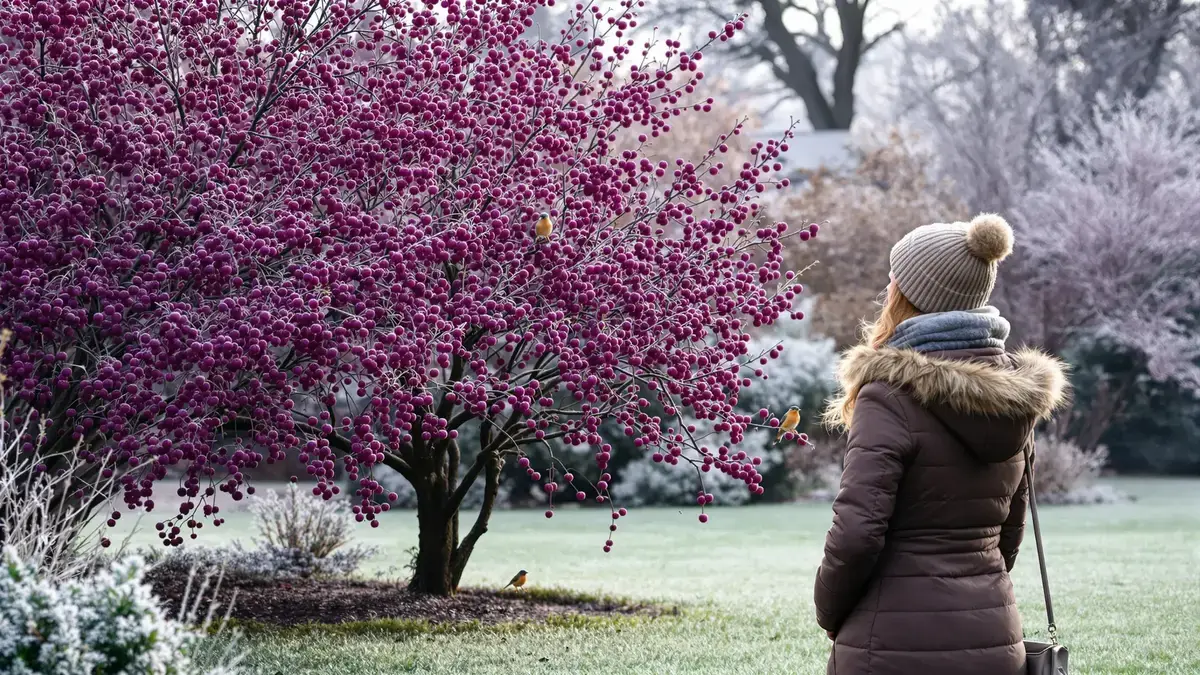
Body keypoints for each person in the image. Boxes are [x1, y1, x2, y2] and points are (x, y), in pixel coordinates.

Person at [813, 214, 1069, 675]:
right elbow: (1008, 536)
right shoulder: (1014, 397)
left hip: (890, 646)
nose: (888, 284)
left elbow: (856, 534)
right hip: (993, 640)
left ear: (911, 294)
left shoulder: (887, 395)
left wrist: (830, 613)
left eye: (896, 276)